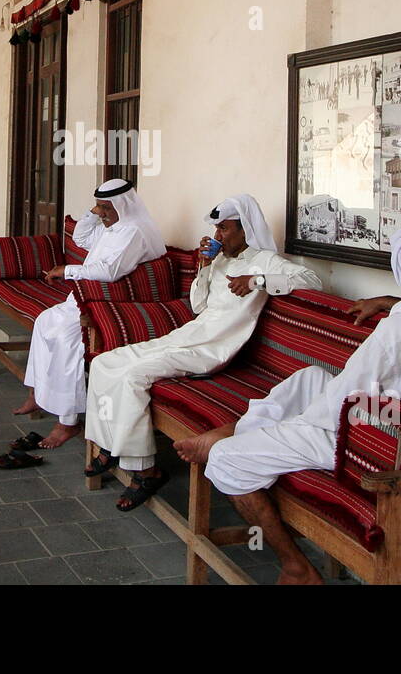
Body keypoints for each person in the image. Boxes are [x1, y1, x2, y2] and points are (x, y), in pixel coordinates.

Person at [173, 224, 401, 584]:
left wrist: (297, 425)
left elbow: (342, 398)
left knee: (226, 461)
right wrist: (388, 302)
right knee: (310, 376)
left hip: (368, 440)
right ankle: (240, 430)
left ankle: (296, 566)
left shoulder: (399, 333)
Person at [83, 194, 323, 512]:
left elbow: (312, 280)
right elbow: (198, 306)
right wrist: (205, 266)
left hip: (213, 349)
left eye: (224, 228)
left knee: (134, 375)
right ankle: (107, 445)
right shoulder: (221, 258)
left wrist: (257, 281)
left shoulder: (264, 260)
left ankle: (145, 470)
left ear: (245, 228)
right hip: (188, 336)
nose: (218, 236)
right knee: (104, 361)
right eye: (216, 229)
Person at [8, 179, 165, 451]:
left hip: (111, 305)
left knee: (66, 339)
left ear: (123, 205)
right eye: (100, 207)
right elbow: (80, 238)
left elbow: (109, 272)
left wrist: (65, 271)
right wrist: (94, 212)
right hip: (88, 297)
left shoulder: (134, 231)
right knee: (45, 321)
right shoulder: (114, 227)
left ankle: (67, 421)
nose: (101, 213)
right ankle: (38, 393)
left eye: (106, 207)